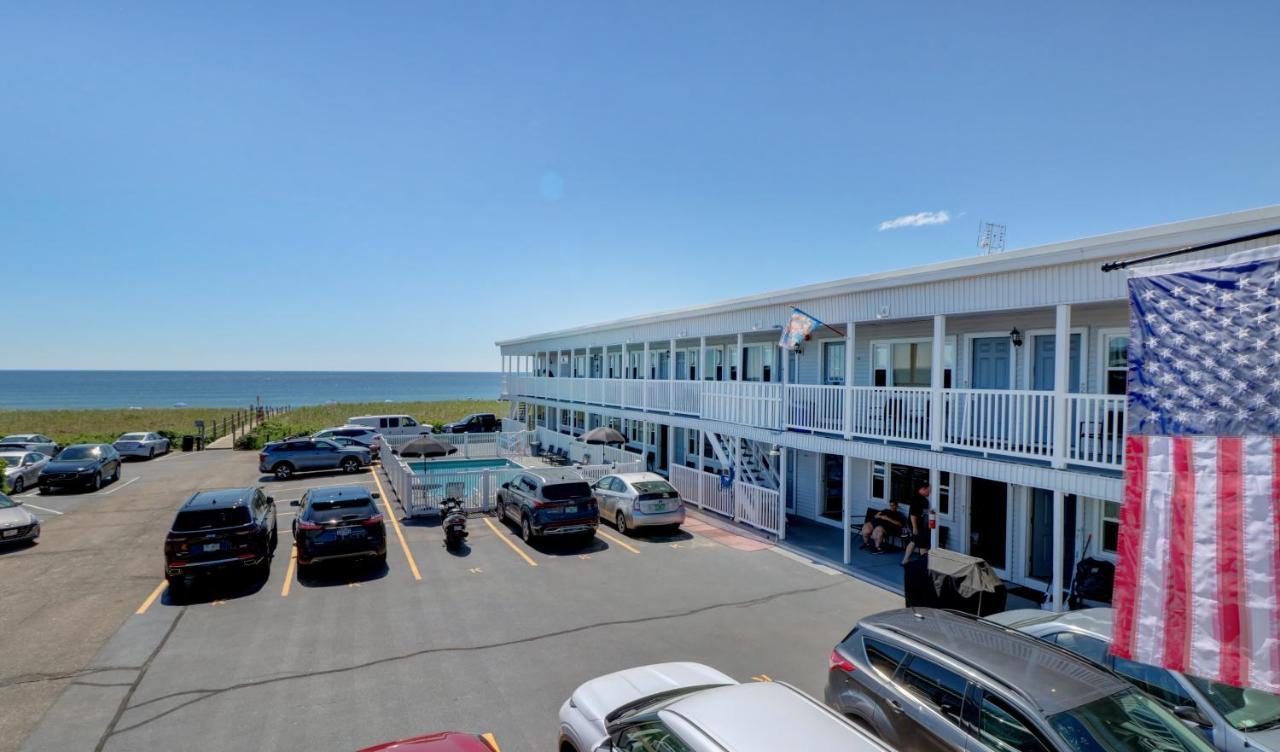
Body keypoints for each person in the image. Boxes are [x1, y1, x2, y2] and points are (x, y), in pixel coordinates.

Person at [902, 484, 931, 565]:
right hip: (916, 525)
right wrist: (915, 528)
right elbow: (913, 514)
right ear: (922, 489)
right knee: (923, 544)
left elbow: (922, 511)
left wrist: (929, 511)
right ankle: (923, 564)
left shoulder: (923, 500)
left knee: (914, 541)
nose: (930, 492)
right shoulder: (916, 499)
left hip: (920, 525)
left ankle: (905, 560)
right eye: (928, 490)